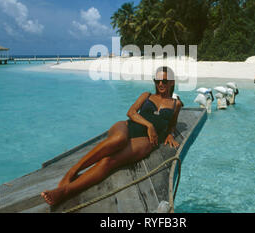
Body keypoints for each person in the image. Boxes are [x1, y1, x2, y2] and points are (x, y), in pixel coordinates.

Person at [41, 66, 183, 206]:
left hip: (145, 140)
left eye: (164, 81)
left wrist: (170, 134)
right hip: (127, 126)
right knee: (118, 140)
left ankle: (66, 191)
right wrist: (149, 125)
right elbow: (131, 112)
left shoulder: (176, 104)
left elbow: (172, 123)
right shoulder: (147, 95)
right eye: (157, 80)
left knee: (109, 161)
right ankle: (71, 172)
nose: (160, 84)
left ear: (171, 82)